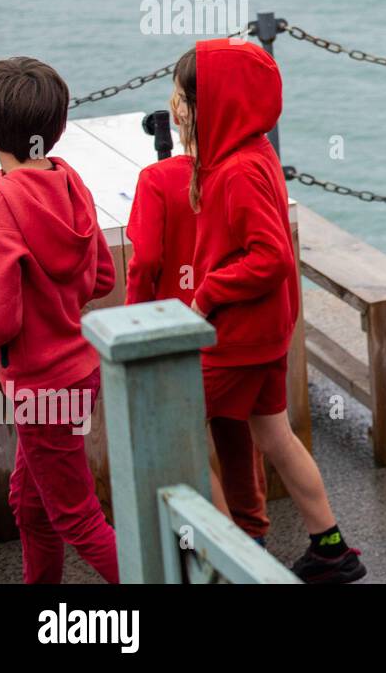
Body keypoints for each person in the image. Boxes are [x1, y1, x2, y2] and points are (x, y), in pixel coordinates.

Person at [175, 40, 365, 583]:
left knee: (180, 430)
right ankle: (331, 547)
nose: (180, 107)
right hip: (264, 334)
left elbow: (271, 257)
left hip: (236, 337)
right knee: (273, 434)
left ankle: (221, 559)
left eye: (188, 97)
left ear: (216, 104)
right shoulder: (254, 152)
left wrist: (208, 292)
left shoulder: (235, 170)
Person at [0, 57, 119, 583]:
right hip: (79, 372)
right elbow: (103, 277)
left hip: (39, 387)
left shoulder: (0, 209)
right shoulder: (71, 184)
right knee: (30, 504)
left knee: (77, 516)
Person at [125, 92, 270, 542]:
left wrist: (134, 323)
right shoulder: (238, 170)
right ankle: (253, 530)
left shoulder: (157, 179)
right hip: (229, 326)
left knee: (178, 435)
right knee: (238, 435)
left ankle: (224, 544)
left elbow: (144, 261)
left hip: (176, 329)